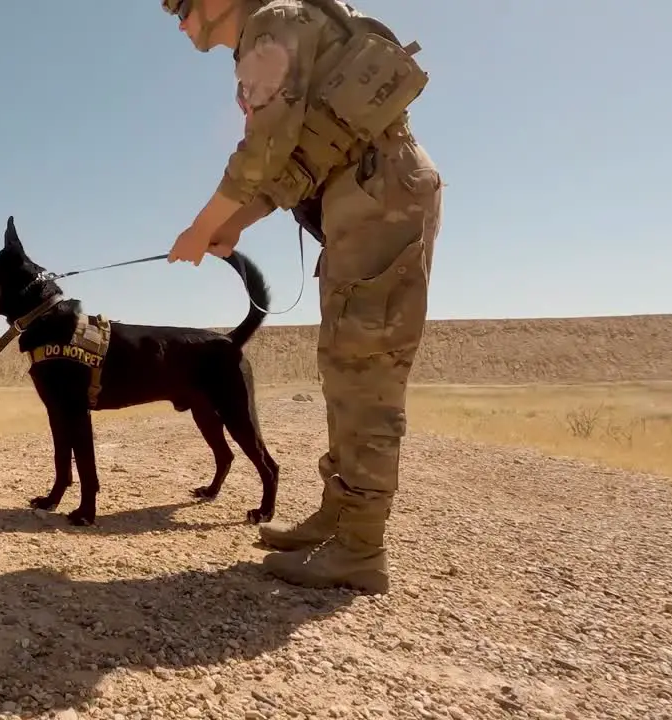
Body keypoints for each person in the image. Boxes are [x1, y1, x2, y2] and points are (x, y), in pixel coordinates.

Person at [161, 0, 443, 595]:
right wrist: (237, 224)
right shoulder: (276, 29)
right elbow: (301, 161)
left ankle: (361, 547)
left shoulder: (272, 24)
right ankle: (336, 519)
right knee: (343, 366)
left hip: (378, 196)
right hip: (362, 194)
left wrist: (200, 224)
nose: (179, 24)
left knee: (365, 369)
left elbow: (262, 152)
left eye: (179, 9)